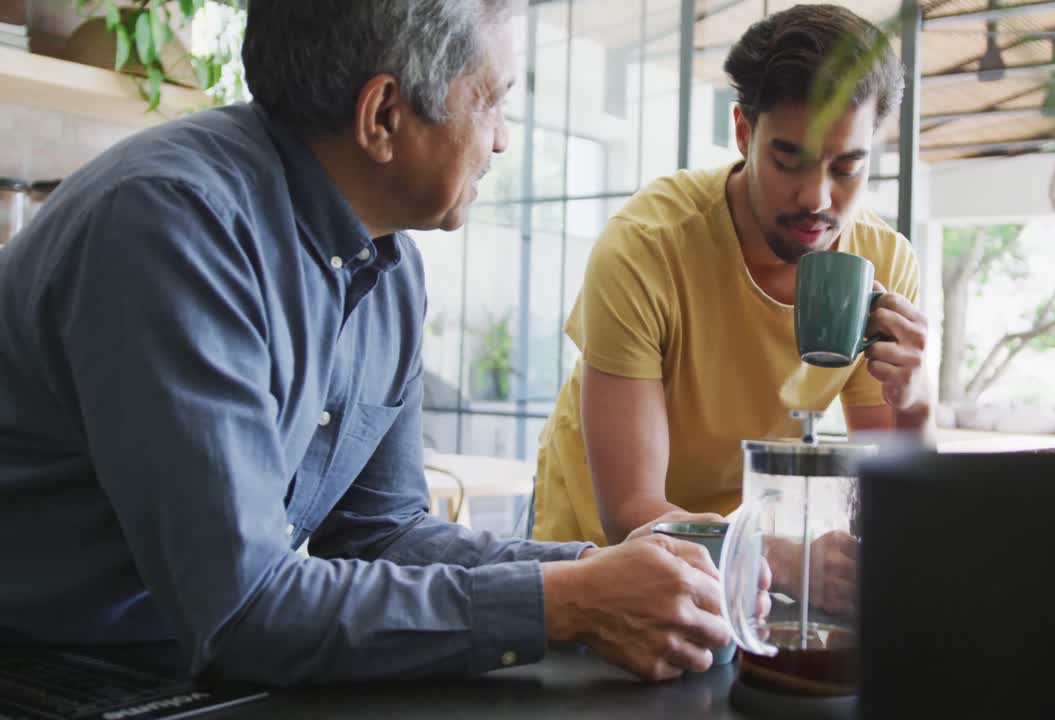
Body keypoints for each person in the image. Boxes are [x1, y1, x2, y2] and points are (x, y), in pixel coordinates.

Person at [0, 0, 732, 685]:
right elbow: (242, 609)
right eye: (492, 101)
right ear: (383, 116)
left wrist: (605, 570)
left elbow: (383, 533)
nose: (503, 140)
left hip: (177, 661)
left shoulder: (390, 270)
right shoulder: (174, 227)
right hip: (47, 664)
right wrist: (569, 601)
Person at [533, 4, 932, 549]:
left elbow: (892, 496)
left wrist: (915, 401)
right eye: (788, 160)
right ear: (744, 132)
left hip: (727, 545)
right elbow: (629, 510)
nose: (816, 197)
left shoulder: (881, 262)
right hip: (591, 546)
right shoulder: (647, 246)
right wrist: (792, 561)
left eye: (846, 168)